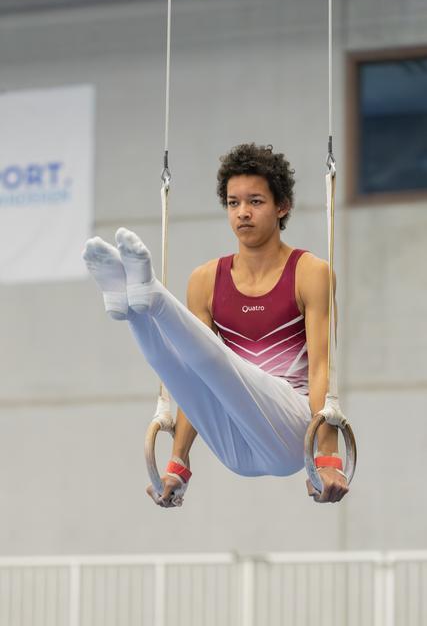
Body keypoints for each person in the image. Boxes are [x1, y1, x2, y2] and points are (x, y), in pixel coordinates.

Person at [83, 143, 349, 508]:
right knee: (183, 367)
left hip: (290, 432)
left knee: (218, 362)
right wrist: (177, 464)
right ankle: (132, 308)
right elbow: (197, 382)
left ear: (282, 206)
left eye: (255, 201)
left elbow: (323, 372)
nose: (242, 213)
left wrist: (327, 457)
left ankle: (154, 297)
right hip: (233, 447)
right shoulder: (205, 280)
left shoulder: (310, 272)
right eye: (233, 202)